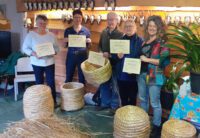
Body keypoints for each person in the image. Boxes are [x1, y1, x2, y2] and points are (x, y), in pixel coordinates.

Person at [137, 15, 169, 138]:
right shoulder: (145, 41)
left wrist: (147, 59)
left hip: (154, 76)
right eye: (150, 26)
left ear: (159, 28)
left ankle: (156, 126)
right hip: (142, 74)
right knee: (143, 100)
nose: (151, 28)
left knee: (155, 103)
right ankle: (144, 123)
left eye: (154, 26)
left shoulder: (162, 42)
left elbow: (162, 60)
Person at [22, 15, 60, 106]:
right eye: (40, 23)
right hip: (36, 63)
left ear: (47, 23)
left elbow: (57, 49)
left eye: (44, 23)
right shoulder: (31, 35)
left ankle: (53, 102)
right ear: (36, 23)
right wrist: (34, 54)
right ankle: (41, 103)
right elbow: (25, 48)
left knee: (51, 83)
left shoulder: (51, 35)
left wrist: (53, 52)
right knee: (39, 83)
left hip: (50, 62)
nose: (42, 25)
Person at [97, 12, 124, 112]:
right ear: (107, 20)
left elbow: (122, 52)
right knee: (104, 84)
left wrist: (111, 55)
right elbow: (99, 46)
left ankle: (114, 105)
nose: (111, 21)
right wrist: (100, 52)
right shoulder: (103, 32)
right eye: (109, 19)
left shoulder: (121, 35)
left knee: (115, 85)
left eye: (113, 19)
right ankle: (105, 103)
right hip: (104, 64)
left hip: (115, 64)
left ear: (117, 21)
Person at [115, 19, 143, 106]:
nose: (128, 28)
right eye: (126, 26)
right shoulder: (120, 41)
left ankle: (131, 118)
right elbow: (113, 57)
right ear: (123, 29)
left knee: (132, 98)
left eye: (131, 26)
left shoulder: (140, 41)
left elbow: (143, 56)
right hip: (121, 75)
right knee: (123, 98)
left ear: (135, 28)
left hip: (133, 76)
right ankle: (124, 117)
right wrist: (117, 56)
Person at [64, 9, 91, 84]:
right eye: (75, 17)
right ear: (73, 18)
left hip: (82, 56)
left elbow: (89, 47)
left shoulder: (86, 31)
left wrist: (89, 42)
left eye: (79, 17)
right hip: (71, 55)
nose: (77, 19)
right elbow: (65, 46)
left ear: (82, 18)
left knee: (82, 77)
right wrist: (65, 41)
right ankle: (67, 95)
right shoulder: (68, 30)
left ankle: (81, 95)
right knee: (69, 76)